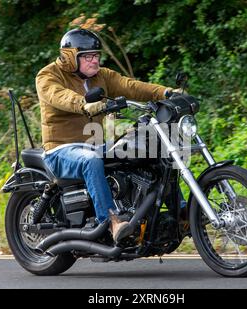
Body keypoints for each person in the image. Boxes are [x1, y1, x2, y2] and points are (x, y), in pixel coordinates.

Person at [36, 28, 181, 243]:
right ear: (69, 57)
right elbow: (60, 96)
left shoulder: (101, 76)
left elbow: (130, 86)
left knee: (148, 150)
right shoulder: (48, 76)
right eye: (87, 57)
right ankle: (112, 221)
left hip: (93, 144)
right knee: (91, 161)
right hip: (60, 149)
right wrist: (85, 104)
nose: (94, 61)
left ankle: (182, 211)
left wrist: (166, 93)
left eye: (96, 56)